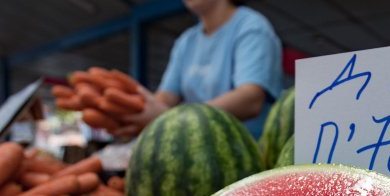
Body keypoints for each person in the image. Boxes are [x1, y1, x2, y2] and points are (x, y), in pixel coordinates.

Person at [116, 0, 282, 137]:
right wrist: (138, 112)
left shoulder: (251, 27)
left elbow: (250, 99)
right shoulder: (186, 41)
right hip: (196, 146)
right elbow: (165, 98)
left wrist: (177, 120)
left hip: (249, 150)